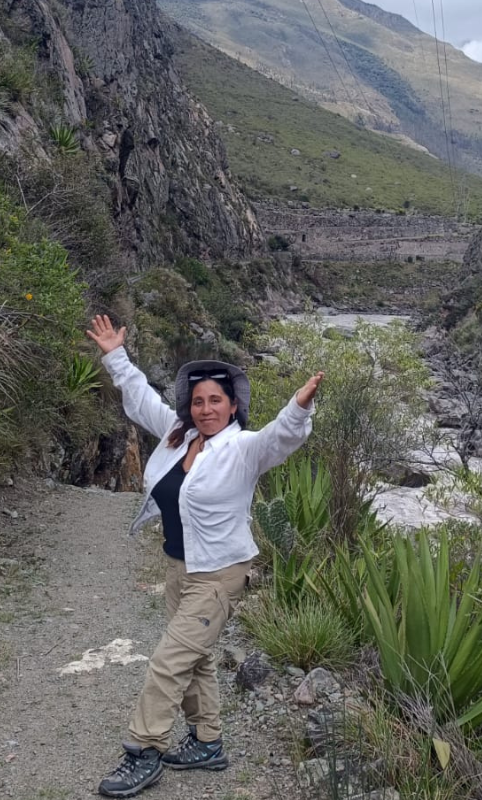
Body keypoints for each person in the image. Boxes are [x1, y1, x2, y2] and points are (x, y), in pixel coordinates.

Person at [85, 314, 324, 798]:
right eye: (198, 401)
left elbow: (279, 437)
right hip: (181, 567)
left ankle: (144, 750)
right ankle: (207, 742)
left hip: (219, 577)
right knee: (195, 661)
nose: (206, 408)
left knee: (168, 662)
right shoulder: (179, 436)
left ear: (233, 406)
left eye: (216, 400)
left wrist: (298, 407)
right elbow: (142, 399)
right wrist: (116, 357)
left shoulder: (243, 449)